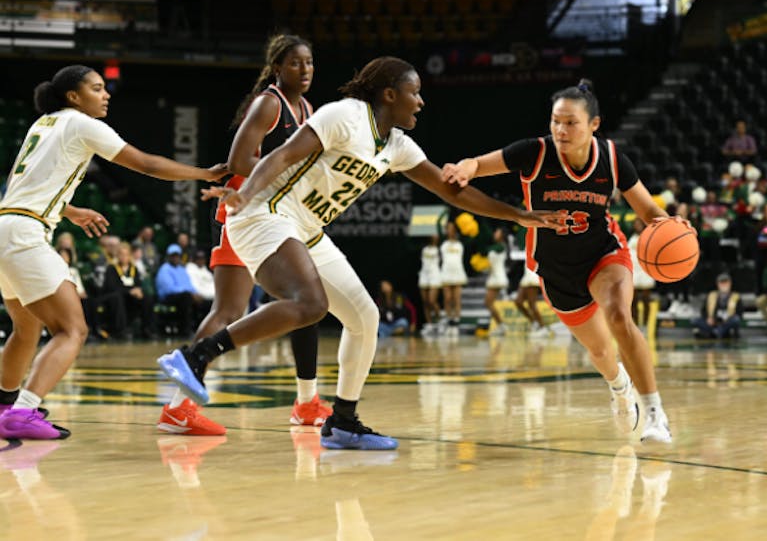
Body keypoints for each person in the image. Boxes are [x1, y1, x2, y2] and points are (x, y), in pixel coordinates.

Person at [158, 56, 561, 451]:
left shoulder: (397, 145)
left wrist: (518, 215)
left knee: (365, 317)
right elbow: (283, 154)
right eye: (414, 93)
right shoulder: (344, 116)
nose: (421, 102)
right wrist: (245, 193)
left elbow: (450, 190)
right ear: (389, 94)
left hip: (306, 228)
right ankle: (196, 357)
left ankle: (343, 422)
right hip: (266, 212)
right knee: (310, 303)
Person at [442, 78, 674, 444]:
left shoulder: (612, 159)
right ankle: (619, 387)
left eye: (571, 123)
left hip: (603, 252)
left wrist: (674, 227)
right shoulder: (534, 152)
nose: (561, 130)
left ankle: (656, 414)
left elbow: (648, 211)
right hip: (556, 268)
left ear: (594, 124)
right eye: (555, 121)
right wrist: (465, 168)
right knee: (600, 350)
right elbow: (477, 164)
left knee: (619, 316)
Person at [0, 64, 225, 440]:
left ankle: (5, 405)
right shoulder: (81, 123)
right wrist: (205, 174)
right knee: (72, 329)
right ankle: (23, 412)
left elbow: (20, 183)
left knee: (26, 328)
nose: (106, 95)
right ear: (74, 96)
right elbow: (147, 164)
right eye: (97, 88)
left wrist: (69, 210)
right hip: (25, 234)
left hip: (6, 224)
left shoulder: (43, 124)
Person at [158, 33, 329, 437]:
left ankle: (307, 401)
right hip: (245, 210)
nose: (304, 70)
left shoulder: (307, 108)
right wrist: (289, 173)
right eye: (295, 63)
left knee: (304, 301)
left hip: (281, 213)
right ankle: (178, 408)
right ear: (277, 68)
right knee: (229, 311)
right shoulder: (269, 103)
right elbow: (239, 160)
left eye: (309, 62)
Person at [99, 243, 154, 339]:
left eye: (126, 254)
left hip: (130, 297)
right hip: (114, 297)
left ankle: (147, 329)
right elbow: (112, 287)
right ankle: (121, 330)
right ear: (118, 255)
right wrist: (129, 291)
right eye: (121, 254)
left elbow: (137, 284)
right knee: (117, 297)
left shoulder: (134, 269)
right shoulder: (111, 268)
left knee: (147, 298)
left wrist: (138, 291)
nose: (124, 257)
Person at [155, 244, 203, 338]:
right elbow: (168, 289)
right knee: (186, 298)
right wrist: (189, 293)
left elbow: (189, 284)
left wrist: (195, 293)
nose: (175, 258)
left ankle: (200, 329)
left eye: (177, 255)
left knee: (203, 301)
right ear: (168, 257)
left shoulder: (182, 270)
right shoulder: (164, 269)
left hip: (184, 295)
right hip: (168, 297)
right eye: (173, 256)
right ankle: (185, 330)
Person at [692, 273, 742, 339]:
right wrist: (708, 318)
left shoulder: (736, 296)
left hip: (726, 323)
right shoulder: (711, 295)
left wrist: (726, 321)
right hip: (712, 322)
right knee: (694, 320)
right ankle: (715, 332)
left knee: (735, 320)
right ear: (718, 284)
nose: (724, 285)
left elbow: (739, 314)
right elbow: (703, 310)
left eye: (726, 283)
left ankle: (715, 332)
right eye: (722, 283)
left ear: (730, 283)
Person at [628, 218, 656, 325]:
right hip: (634, 271)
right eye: (636, 224)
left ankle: (645, 323)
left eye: (639, 224)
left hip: (645, 270)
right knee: (633, 300)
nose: (637, 226)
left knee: (646, 299)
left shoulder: (648, 237)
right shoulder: (631, 238)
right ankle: (635, 322)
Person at [439, 220, 467, 328]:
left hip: (457, 272)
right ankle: (448, 317)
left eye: (451, 228)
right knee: (447, 298)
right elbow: (438, 226)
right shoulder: (444, 244)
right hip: (446, 272)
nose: (449, 230)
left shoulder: (460, 244)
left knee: (456, 298)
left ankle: (457, 318)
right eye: (448, 228)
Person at [484, 227, 510, 335]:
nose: (495, 234)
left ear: (502, 235)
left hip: (498, 278)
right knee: (488, 303)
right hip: (493, 277)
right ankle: (500, 325)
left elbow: (487, 249)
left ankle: (502, 325)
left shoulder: (501, 246)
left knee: (488, 303)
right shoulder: (497, 246)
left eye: (497, 232)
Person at [417, 234, 443, 334]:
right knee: (425, 302)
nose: (434, 236)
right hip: (424, 274)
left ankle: (440, 320)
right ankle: (429, 324)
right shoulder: (423, 249)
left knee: (432, 301)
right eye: (433, 235)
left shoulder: (440, 249)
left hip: (435, 274)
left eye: (436, 235)